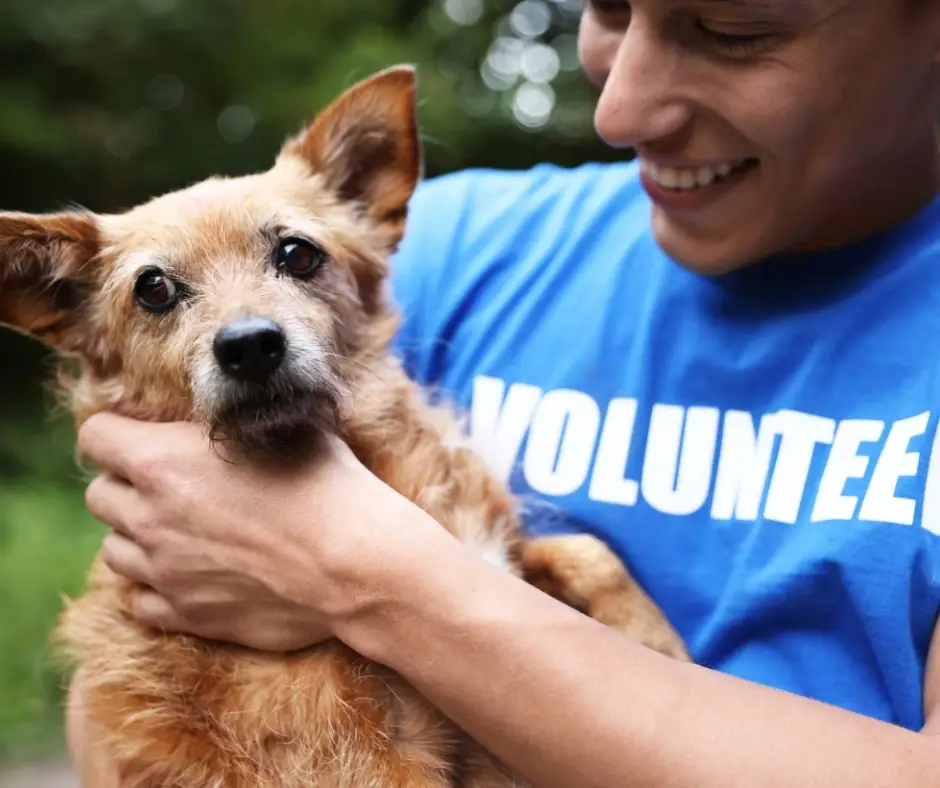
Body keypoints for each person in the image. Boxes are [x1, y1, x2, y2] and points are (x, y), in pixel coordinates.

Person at [66, 0, 940, 785]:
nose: (619, 110)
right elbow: (119, 728)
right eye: (606, 8)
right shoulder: (449, 255)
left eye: (733, 31)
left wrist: (367, 576)